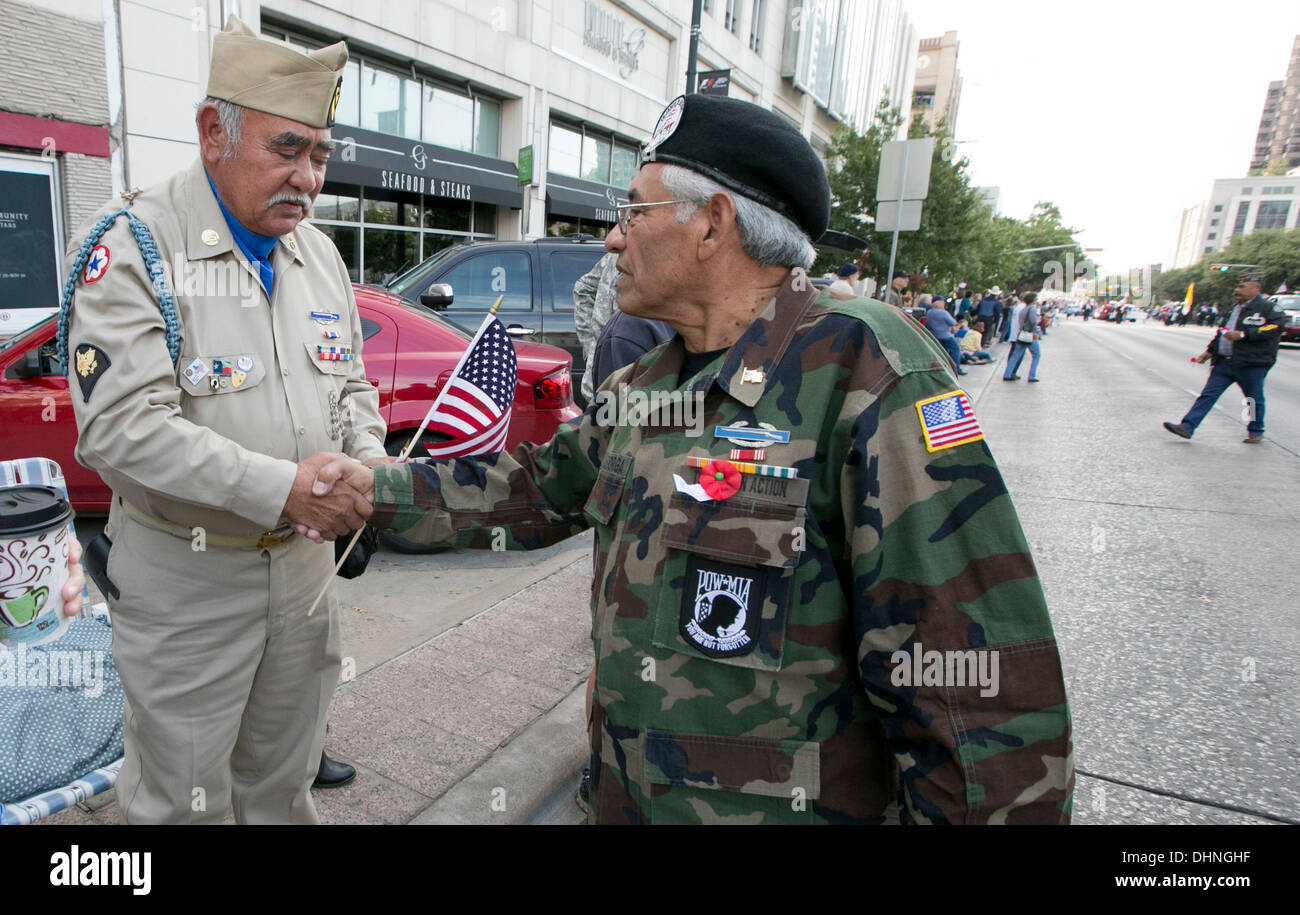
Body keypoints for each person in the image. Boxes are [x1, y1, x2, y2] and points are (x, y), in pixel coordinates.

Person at [314, 93, 1074, 824]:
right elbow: (536, 490)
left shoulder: (866, 368)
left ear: (713, 225)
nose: (613, 238)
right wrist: (371, 488)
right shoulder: (644, 383)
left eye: (634, 212)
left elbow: (976, 701)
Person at [60, 16, 384, 824]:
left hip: (305, 583)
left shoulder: (320, 255)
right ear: (213, 132)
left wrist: (367, 466)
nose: (307, 179)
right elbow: (123, 428)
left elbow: (350, 388)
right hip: (188, 584)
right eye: (287, 150)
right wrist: (288, 489)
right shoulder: (134, 245)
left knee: (282, 791)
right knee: (179, 806)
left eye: (320, 155)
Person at [1163, 274, 1286, 444]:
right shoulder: (1233, 309)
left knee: (1252, 399)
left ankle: (1256, 430)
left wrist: (1244, 334)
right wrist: (1209, 352)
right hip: (1224, 362)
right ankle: (1187, 426)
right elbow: (1222, 332)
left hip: (1251, 364)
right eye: (1237, 286)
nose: (1237, 290)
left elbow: (1276, 327)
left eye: (1243, 287)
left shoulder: (1268, 309)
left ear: (1256, 288)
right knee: (1207, 395)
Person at [573, 252, 622, 402]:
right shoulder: (615, 256)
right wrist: (592, 347)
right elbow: (582, 288)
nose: (611, 240)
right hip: (605, 388)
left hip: (634, 392)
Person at [1003, 292, 1041, 382]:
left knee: (1015, 355)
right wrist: (1037, 332)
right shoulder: (1032, 309)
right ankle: (1031, 376)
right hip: (1030, 334)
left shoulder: (1023, 309)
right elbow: (1033, 322)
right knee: (1036, 355)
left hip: (1022, 333)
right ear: (1033, 300)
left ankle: (1007, 374)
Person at [925, 296, 966, 375]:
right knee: (956, 349)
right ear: (939, 302)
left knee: (942, 352)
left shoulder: (929, 312)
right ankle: (956, 369)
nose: (944, 304)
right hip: (945, 335)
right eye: (943, 302)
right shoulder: (943, 312)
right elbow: (953, 322)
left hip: (934, 335)